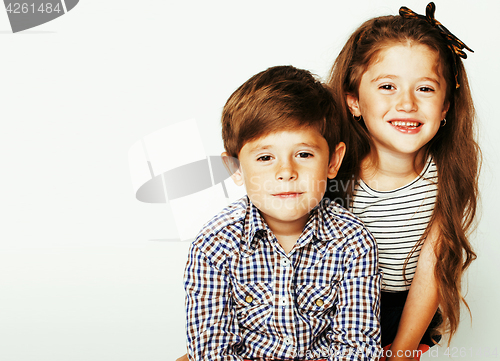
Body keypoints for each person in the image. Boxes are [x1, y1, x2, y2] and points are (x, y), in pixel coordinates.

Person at [183, 65, 382, 360]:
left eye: (303, 154)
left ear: (332, 161)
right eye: (265, 157)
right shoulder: (215, 245)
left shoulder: (353, 242)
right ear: (235, 168)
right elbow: (212, 350)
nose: (286, 172)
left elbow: (357, 348)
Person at [326, 3, 480, 361]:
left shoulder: (444, 177)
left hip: (402, 317)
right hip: (330, 310)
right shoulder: (335, 174)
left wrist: (400, 354)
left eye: (425, 88)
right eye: (387, 86)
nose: (407, 103)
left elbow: (432, 271)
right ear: (353, 102)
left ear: (445, 108)